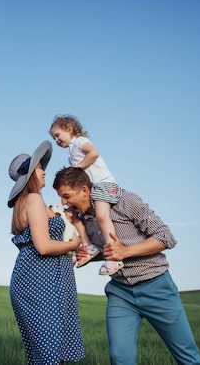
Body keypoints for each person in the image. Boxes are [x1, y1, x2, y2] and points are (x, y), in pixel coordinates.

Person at [53, 167, 200, 365]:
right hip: (121, 293)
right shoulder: (84, 220)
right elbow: (109, 252)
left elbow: (166, 237)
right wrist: (92, 255)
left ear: (84, 190)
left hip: (156, 286)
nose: (63, 202)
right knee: (120, 358)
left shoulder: (126, 202)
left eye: (66, 196)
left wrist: (125, 251)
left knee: (188, 357)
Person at [7, 141, 85, 365]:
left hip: (44, 280)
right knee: (50, 355)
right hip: (41, 283)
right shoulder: (32, 199)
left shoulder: (32, 203)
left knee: (49, 355)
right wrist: (74, 244)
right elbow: (43, 246)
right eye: (40, 168)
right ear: (31, 173)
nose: (44, 171)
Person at [50, 114, 123, 276]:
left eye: (57, 135)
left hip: (104, 185)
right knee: (75, 216)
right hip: (93, 188)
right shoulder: (71, 152)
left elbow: (94, 153)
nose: (56, 140)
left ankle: (113, 257)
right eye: (54, 138)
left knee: (102, 216)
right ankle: (87, 245)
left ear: (69, 129)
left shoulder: (80, 141)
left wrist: (78, 168)